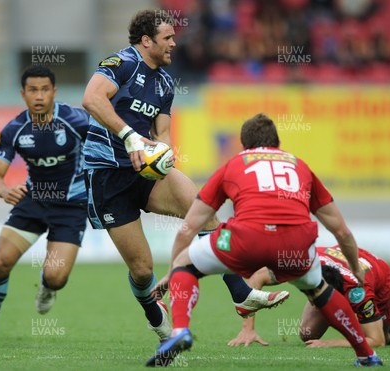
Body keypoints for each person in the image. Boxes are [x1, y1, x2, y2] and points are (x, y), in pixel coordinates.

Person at [81, 9, 285, 343]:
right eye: (167, 38)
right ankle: (152, 313)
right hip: (107, 177)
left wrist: (162, 153)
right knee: (143, 269)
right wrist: (130, 137)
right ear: (146, 41)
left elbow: (162, 131)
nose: (174, 43)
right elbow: (91, 98)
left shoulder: (163, 81)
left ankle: (240, 293)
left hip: (144, 172)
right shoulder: (123, 64)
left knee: (202, 211)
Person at [146, 113, 382, 367]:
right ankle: (366, 354)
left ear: (244, 144)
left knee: (185, 264)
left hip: (247, 239)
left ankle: (180, 331)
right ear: (277, 143)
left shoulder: (234, 164)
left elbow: (189, 227)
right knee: (319, 288)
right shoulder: (299, 166)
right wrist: (356, 268)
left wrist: (172, 274)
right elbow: (342, 232)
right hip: (296, 246)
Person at [0, 65, 90, 342]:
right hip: (33, 201)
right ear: (23, 94)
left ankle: (48, 286)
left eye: (44, 89)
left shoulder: (77, 121)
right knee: (1, 262)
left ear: (54, 92)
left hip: (70, 207)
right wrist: (3, 191)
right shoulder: (14, 129)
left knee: (56, 277)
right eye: (33, 90)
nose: (39, 96)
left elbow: (108, 144)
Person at [228, 246, 390, 348]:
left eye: (316, 297)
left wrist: (329, 343)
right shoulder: (303, 263)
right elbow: (256, 277)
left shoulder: (358, 292)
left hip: (385, 288)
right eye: (310, 292)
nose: (311, 301)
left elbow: (376, 341)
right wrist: (249, 328)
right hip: (344, 268)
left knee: (381, 337)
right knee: (307, 333)